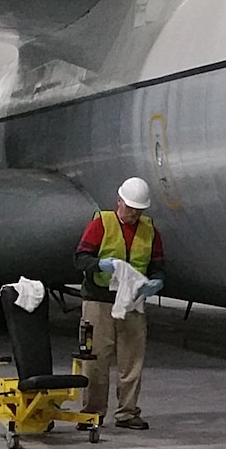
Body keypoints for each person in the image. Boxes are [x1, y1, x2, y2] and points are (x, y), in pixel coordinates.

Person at [74, 177, 165, 430]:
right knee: (95, 359)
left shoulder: (150, 231)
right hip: (99, 301)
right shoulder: (100, 224)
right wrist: (99, 265)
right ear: (119, 202)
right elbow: (80, 259)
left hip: (132, 303)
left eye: (139, 210)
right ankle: (92, 413)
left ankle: (127, 412)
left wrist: (156, 282)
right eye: (130, 208)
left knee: (132, 360)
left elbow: (158, 266)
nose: (134, 214)